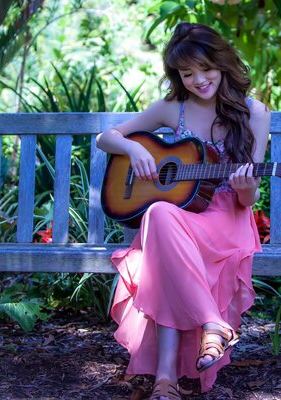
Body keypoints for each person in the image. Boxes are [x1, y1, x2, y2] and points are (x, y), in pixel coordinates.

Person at [96, 22, 270, 399]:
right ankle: (212, 325)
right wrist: (134, 149)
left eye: (205, 69)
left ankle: (165, 380)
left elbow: (249, 200)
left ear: (222, 63)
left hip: (228, 217)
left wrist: (248, 188)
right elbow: (105, 137)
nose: (198, 80)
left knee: (160, 242)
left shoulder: (254, 113)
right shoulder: (171, 108)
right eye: (187, 74)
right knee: (159, 214)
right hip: (181, 216)